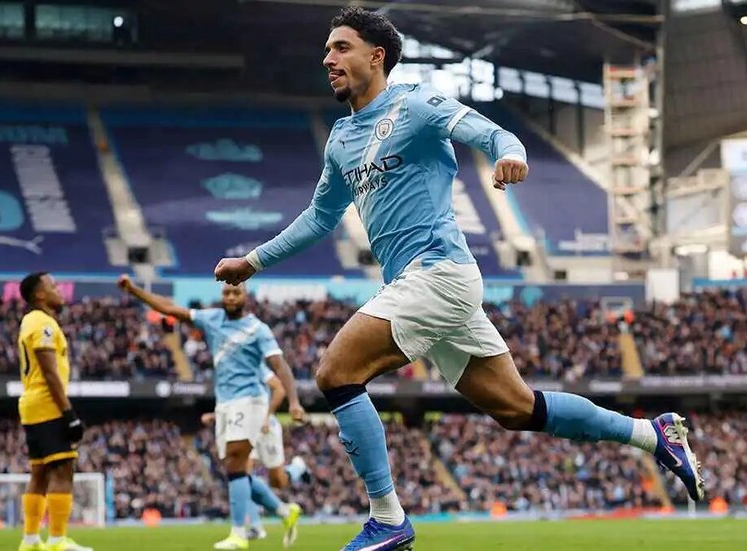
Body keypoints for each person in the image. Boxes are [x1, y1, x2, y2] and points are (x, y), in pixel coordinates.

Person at [213, 7, 704, 551]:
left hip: (438, 273)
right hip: (421, 285)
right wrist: (253, 261)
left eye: (341, 47)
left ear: (377, 57)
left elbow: (489, 133)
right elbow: (320, 218)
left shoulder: (416, 104)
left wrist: (510, 154)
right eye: (327, 49)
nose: (328, 58)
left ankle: (387, 518)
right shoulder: (340, 139)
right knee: (518, 408)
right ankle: (652, 433)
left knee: (335, 373)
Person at [118, 276, 305, 550]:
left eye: (236, 293)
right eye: (227, 293)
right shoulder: (211, 319)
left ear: (245, 295)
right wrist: (134, 290)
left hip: (250, 401)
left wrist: (294, 401)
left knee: (237, 464)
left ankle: (240, 533)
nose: (231, 297)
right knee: (235, 469)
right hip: (225, 404)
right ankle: (283, 511)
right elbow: (170, 309)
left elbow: (280, 366)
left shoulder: (257, 329)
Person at [17, 272, 91, 551]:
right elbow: (49, 371)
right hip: (47, 403)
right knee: (63, 469)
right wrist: (68, 414)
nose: (60, 290)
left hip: (31, 404)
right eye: (53, 286)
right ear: (39, 294)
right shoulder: (42, 322)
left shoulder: (30, 321)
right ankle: (58, 540)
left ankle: (30, 539)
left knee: (39, 473)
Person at [202, 362, 299, 541]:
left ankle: (297, 470)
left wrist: (267, 417)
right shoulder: (230, 375)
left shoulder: (254, 366)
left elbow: (279, 389)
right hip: (247, 428)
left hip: (266, 428)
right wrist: (215, 416)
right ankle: (256, 526)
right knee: (241, 475)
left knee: (278, 482)